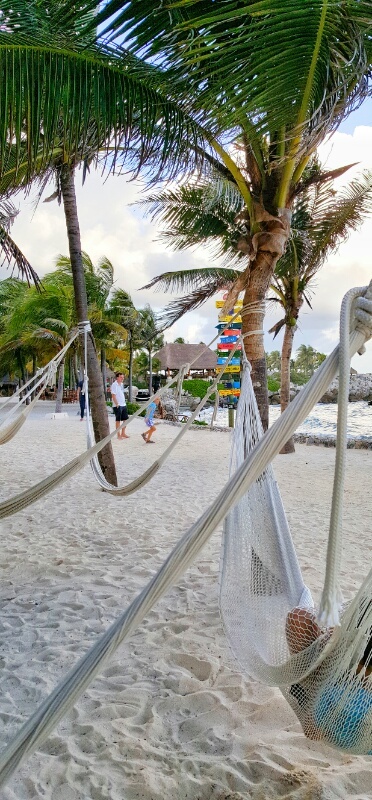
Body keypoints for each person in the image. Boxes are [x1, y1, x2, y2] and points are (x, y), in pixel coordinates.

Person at [286, 606, 372, 748]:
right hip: (327, 682)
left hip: (325, 690)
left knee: (298, 618)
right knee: (299, 619)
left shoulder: (335, 697)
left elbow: (312, 732)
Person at [110, 372, 129, 440]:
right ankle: (118, 435)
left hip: (123, 404)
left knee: (125, 419)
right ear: (117, 377)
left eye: (123, 377)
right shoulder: (114, 385)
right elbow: (113, 395)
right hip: (117, 405)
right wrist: (117, 404)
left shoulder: (121, 384)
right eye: (121, 377)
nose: (122, 379)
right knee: (118, 420)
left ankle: (123, 433)